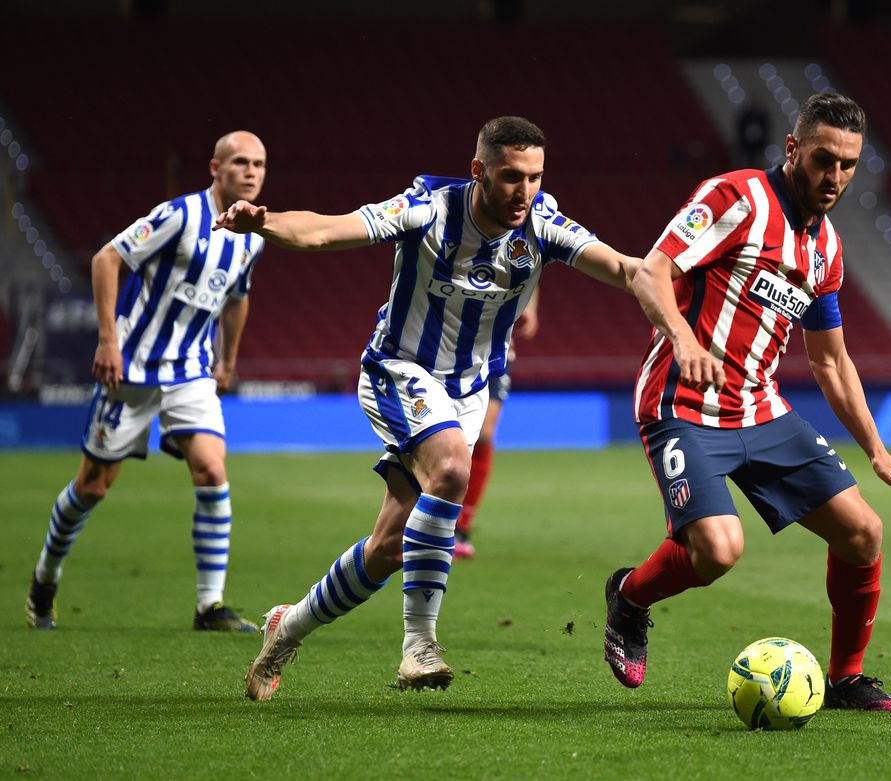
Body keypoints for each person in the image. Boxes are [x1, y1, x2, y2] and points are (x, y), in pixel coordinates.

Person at [218, 116, 641, 701]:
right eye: (510, 177)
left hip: (468, 390)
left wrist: (680, 292)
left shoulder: (543, 223)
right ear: (478, 171)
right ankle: (419, 644)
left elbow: (625, 269)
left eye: (535, 178)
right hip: (400, 371)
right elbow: (325, 230)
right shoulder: (428, 208)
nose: (524, 192)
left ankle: (284, 630)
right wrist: (264, 222)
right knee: (451, 469)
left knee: (388, 549)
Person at [602, 92, 891, 712]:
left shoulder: (825, 248)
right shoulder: (737, 197)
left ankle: (846, 679)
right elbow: (651, 272)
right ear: (793, 149)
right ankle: (630, 597)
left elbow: (830, 359)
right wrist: (685, 337)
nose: (835, 178)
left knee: (863, 533)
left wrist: (877, 452)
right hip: (682, 406)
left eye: (849, 165)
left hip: (761, 409)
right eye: (824, 159)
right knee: (719, 552)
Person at [25, 131, 269, 632]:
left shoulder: (254, 234)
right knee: (93, 487)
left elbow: (238, 297)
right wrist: (108, 341)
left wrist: (228, 361)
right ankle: (45, 579)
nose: (251, 172)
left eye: (259, 164)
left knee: (211, 472)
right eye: (240, 162)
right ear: (214, 168)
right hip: (132, 369)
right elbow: (106, 259)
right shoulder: (179, 215)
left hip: (192, 373)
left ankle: (210, 606)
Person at [453, 288, 538, 560]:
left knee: (484, 434)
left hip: (499, 350)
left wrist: (532, 309)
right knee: (451, 436)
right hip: (453, 346)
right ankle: (431, 520)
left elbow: (535, 267)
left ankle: (462, 527)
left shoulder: (520, 246)